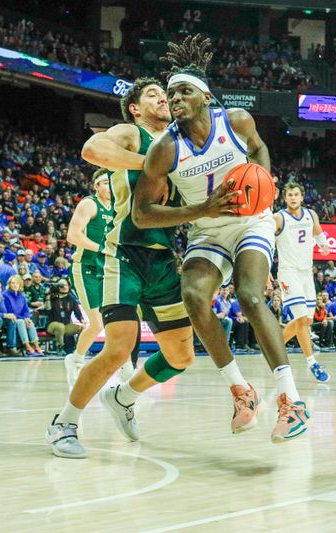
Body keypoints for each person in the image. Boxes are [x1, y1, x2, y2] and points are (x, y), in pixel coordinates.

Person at [132, 34, 309, 443]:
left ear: (205, 96)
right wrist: (203, 210)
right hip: (207, 226)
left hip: (251, 222)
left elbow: (260, 149)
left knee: (250, 296)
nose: (175, 98)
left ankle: (292, 400)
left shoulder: (236, 121)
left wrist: (263, 186)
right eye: (171, 93)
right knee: (194, 295)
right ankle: (241, 390)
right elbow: (142, 215)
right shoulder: (164, 149)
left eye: (184, 91)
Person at [46, 75, 195, 458]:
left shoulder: (181, 144)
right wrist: (152, 165)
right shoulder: (133, 132)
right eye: (152, 95)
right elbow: (92, 149)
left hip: (164, 259)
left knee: (181, 356)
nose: (162, 99)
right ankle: (64, 423)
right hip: (124, 253)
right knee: (118, 348)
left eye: (165, 95)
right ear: (135, 107)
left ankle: (124, 396)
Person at [64, 169, 127, 386]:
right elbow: (73, 236)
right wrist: (101, 248)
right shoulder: (89, 204)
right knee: (97, 323)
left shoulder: (119, 206)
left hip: (108, 268)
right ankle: (76, 361)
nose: (109, 186)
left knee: (117, 321)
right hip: (86, 267)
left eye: (111, 182)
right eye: (104, 183)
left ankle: (125, 371)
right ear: (96, 186)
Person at [275, 182, 333, 381]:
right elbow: (266, 242)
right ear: (285, 198)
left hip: (306, 273)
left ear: (302, 197)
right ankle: (312, 363)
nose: (293, 197)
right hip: (288, 272)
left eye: (296, 194)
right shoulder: (278, 218)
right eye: (289, 194)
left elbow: (317, 232)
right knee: (301, 320)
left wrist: (324, 245)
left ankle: (273, 347)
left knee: (307, 321)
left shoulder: (311, 214)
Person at [4, 275, 44, 356]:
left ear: (20, 285)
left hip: (22, 318)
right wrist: (23, 318)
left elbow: (26, 310)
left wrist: (27, 318)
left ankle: (36, 346)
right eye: (13, 283)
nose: (15, 285)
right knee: (21, 322)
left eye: (17, 283)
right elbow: (10, 312)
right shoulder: (6, 295)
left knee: (30, 322)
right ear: (9, 284)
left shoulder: (22, 295)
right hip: (12, 318)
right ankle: (27, 346)